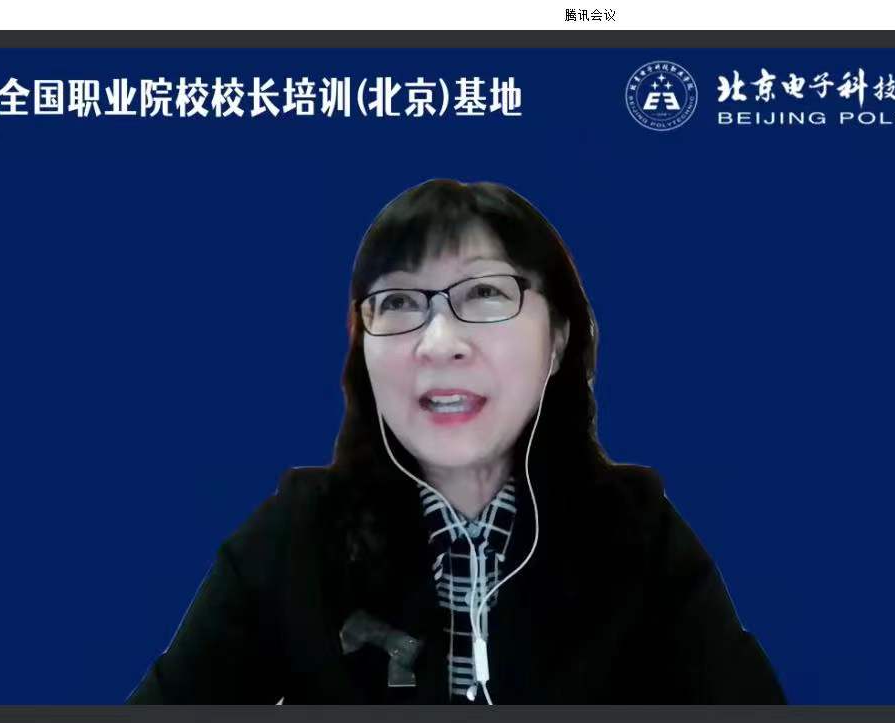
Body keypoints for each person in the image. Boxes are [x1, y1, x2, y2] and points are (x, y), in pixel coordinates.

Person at [126, 179, 786, 704]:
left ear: (558, 338)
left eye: (485, 292)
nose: (438, 342)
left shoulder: (640, 537)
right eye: (398, 302)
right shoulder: (295, 537)